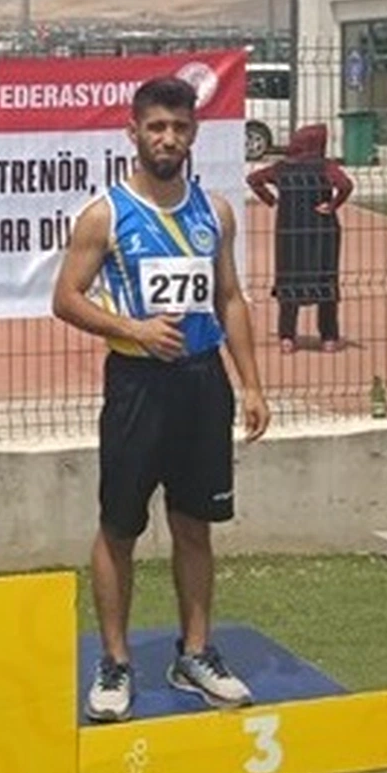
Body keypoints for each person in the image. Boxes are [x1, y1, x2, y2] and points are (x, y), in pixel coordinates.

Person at [52, 77, 271, 723]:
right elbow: (66, 298)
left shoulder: (215, 212)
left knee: (195, 523)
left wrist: (252, 383)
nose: (168, 138)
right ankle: (115, 661)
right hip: (137, 386)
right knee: (119, 526)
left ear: (193, 133)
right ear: (134, 133)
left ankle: (195, 653)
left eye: (178, 127)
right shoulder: (105, 214)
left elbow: (229, 297)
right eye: (156, 127)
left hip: (203, 385)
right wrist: (135, 329)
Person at [246, 123, 354, 353]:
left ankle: (287, 337)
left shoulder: (282, 168)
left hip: (290, 231)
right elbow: (345, 185)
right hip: (322, 230)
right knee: (325, 279)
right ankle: (329, 337)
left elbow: (253, 179)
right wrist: (332, 205)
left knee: (290, 279)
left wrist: (271, 200)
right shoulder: (325, 167)